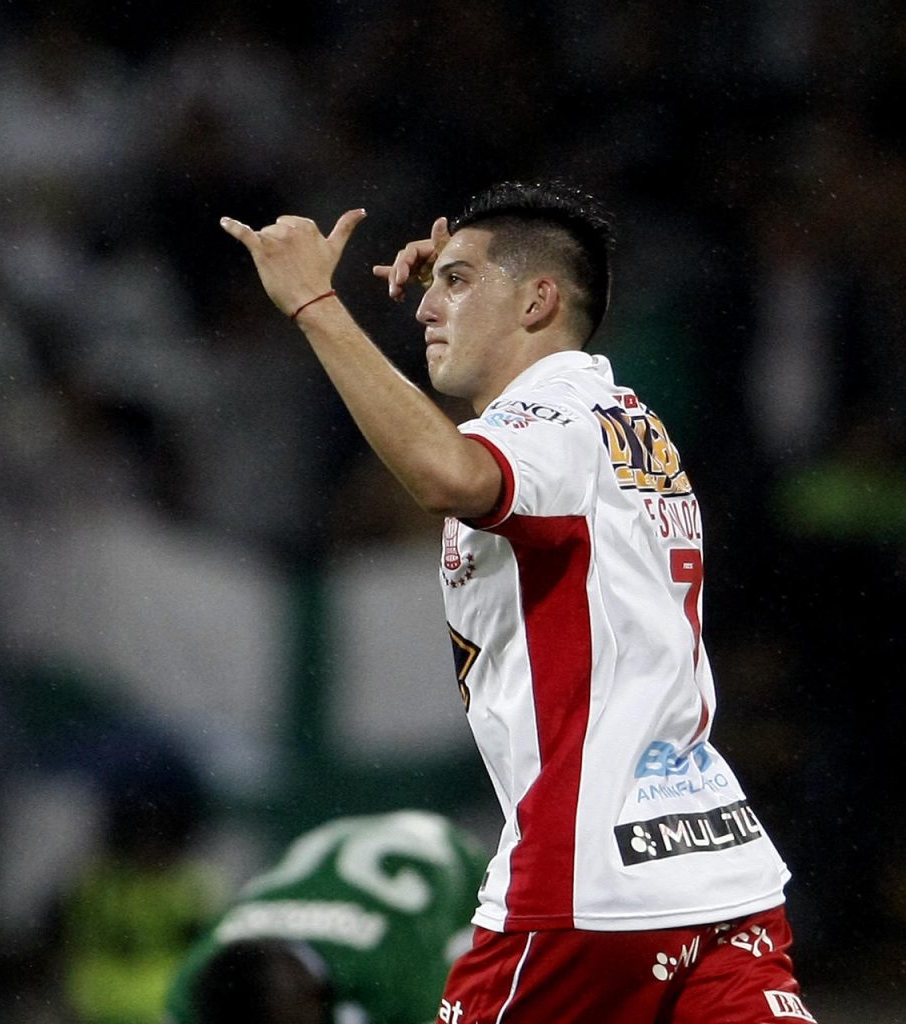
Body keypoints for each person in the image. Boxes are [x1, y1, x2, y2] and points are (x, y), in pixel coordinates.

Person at [219, 183, 811, 1022]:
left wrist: (317, 306)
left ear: (539, 300)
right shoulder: (621, 415)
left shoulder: (550, 419)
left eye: (456, 283)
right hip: (712, 870)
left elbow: (445, 476)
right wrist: (461, 288)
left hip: (585, 885)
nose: (429, 307)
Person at [165, 811, 487, 1024]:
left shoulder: (395, 971)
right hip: (335, 856)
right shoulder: (196, 983)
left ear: (308, 997)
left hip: (456, 873)